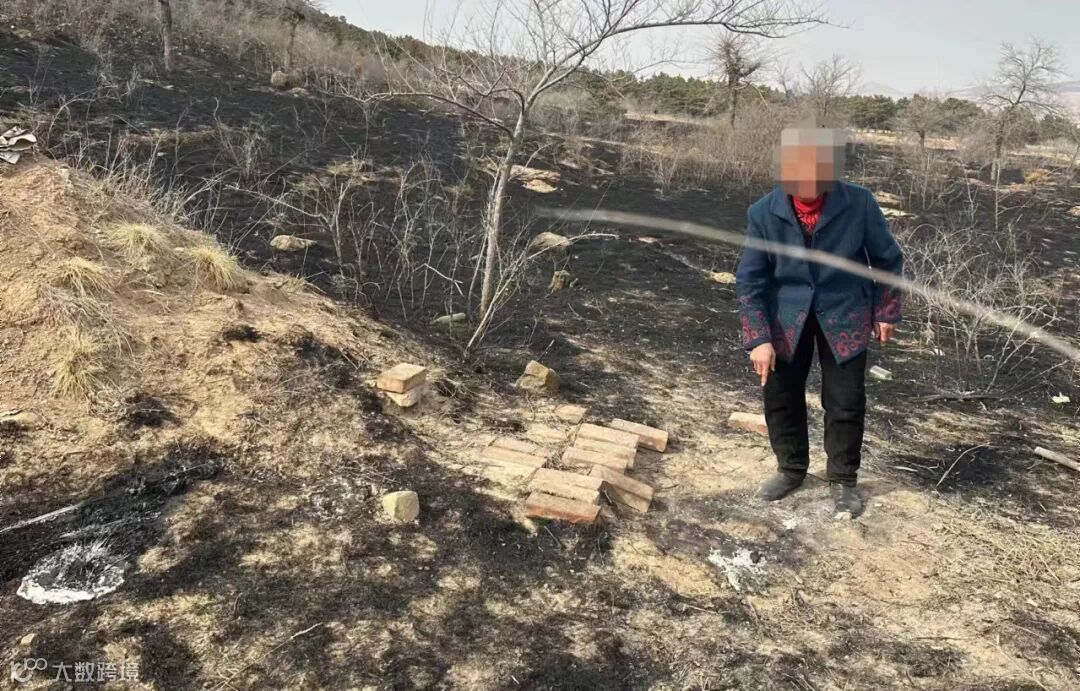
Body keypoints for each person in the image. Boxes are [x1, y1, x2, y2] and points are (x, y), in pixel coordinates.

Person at [735, 127, 903, 516]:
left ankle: (843, 479)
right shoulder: (762, 213)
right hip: (785, 317)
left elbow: (887, 258)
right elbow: (751, 279)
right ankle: (791, 468)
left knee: (846, 401)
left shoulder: (859, 202)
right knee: (780, 395)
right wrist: (758, 338)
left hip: (845, 311)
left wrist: (886, 310)